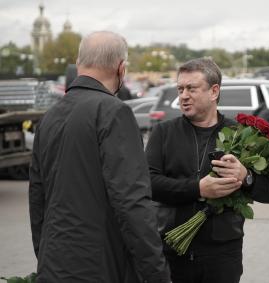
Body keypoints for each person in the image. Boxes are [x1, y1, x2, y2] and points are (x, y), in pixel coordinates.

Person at [29, 31, 170, 283]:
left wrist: (45, 256)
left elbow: (37, 198)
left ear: (79, 63)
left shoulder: (50, 117)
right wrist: (157, 273)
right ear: (121, 69)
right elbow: (132, 202)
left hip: (54, 265)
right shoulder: (114, 112)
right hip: (99, 266)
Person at [145, 58, 269, 283]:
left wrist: (246, 176)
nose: (183, 95)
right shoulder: (163, 133)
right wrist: (198, 188)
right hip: (172, 251)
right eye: (180, 89)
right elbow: (148, 183)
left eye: (191, 88)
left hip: (223, 254)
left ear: (214, 91)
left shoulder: (240, 135)